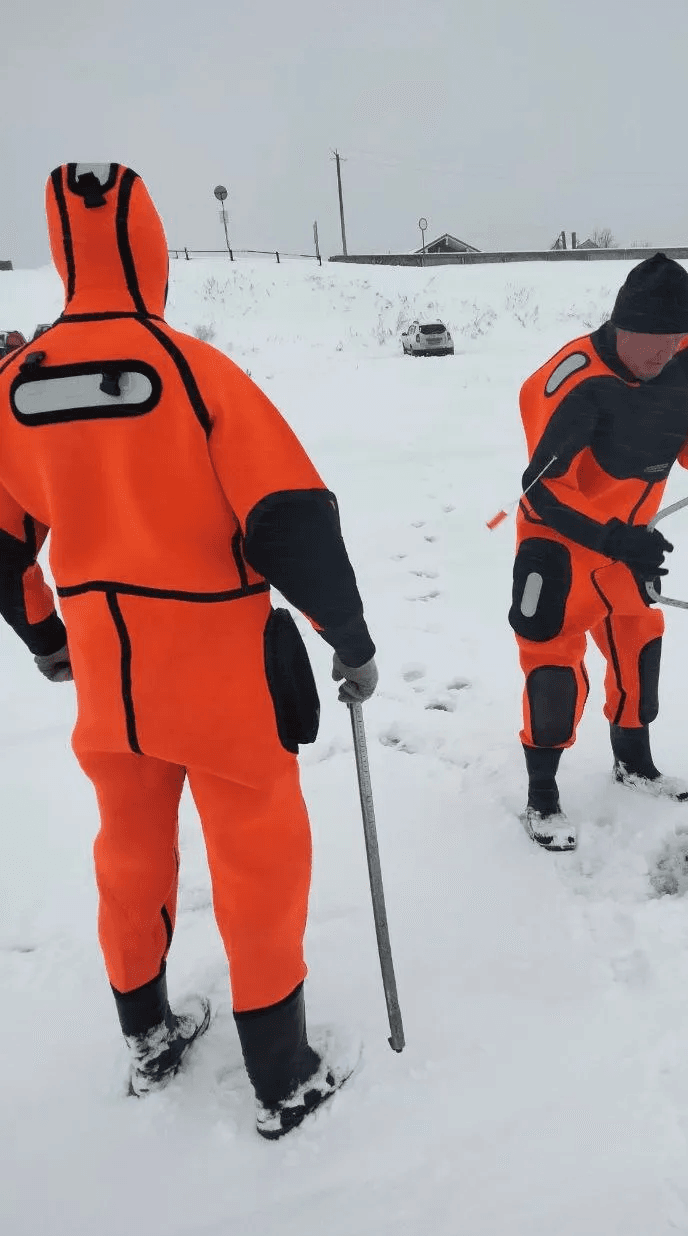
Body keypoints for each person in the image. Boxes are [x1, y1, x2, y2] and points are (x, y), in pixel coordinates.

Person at [0, 163, 378, 1140]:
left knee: (129, 853)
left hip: (109, 684)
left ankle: (149, 1036)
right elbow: (290, 519)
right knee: (258, 859)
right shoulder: (194, 370)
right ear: (149, 246)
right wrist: (350, 641)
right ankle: (282, 1073)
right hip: (221, 676)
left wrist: (46, 636)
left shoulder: (16, 384)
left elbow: (2, 545)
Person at [510, 253, 688, 851]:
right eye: (652, 340)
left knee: (639, 643)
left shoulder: (685, 358)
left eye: (674, 338)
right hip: (561, 540)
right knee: (553, 666)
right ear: (620, 325)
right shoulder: (577, 382)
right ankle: (541, 797)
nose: (664, 352)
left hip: (630, 543)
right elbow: (541, 490)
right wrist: (614, 538)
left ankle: (634, 762)